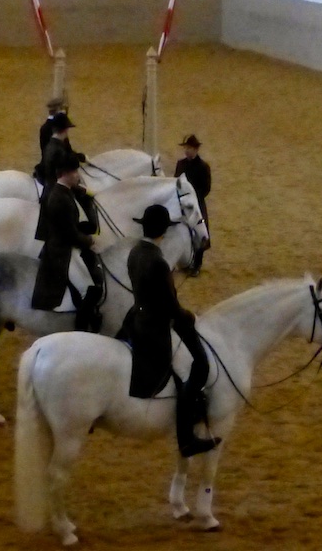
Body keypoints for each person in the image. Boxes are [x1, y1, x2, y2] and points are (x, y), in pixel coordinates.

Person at [117, 204, 220, 457]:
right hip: (155, 327)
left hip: (136, 318)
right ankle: (186, 438)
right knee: (200, 364)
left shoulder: (135, 252)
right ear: (164, 231)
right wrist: (190, 316)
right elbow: (171, 308)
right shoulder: (158, 262)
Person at [30, 155, 104, 333]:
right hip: (61, 251)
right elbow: (69, 233)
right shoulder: (60, 198)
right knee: (90, 290)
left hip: (65, 245)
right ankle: (82, 329)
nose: (78, 175)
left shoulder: (62, 191)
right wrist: (90, 240)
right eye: (75, 172)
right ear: (66, 174)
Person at [173, 135, 211, 270]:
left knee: (199, 231)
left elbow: (206, 188)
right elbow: (176, 182)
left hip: (196, 203)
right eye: (186, 148)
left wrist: (193, 198)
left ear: (195, 149)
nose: (187, 151)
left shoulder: (203, 167)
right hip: (182, 203)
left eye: (189, 148)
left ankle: (197, 263)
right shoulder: (181, 164)